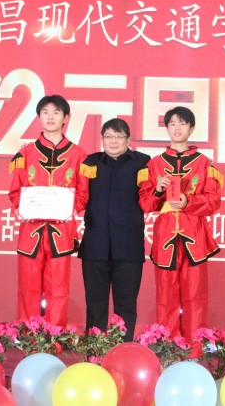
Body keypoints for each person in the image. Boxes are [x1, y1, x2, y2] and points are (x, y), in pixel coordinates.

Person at [139, 106, 223, 339]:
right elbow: (145, 204)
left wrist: (188, 201)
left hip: (194, 237)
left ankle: (195, 349)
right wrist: (158, 190)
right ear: (167, 128)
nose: (177, 128)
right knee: (165, 297)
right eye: (172, 124)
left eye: (183, 123)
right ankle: (168, 349)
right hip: (165, 237)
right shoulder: (154, 164)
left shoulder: (204, 164)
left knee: (195, 297)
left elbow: (214, 201)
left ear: (191, 128)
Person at [8, 94, 89, 326]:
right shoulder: (25, 154)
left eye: (56, 112)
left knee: (58, 290)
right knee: (27, 288)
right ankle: (28, 336)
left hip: (61, 233)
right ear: (38, 117)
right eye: (45, 112)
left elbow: (83, 195)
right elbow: (15, 192)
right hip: (30, 233)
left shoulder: (78, 155)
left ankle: (54, 337)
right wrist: (22, 206)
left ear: (66, 117)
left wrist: (63, 208)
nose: (50, 117)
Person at [79, 118, 151, 341]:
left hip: (128, 247)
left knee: (126, 305)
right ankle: (94, 350)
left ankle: (123, 350)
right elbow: (77, 195)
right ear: (102, 139)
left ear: (128, 140)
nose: (113, 141)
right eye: (108, 136)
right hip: (95, 246)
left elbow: (150, 198)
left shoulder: (143, 163)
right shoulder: (90, 162)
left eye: (118, 136)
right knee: (95, 304)